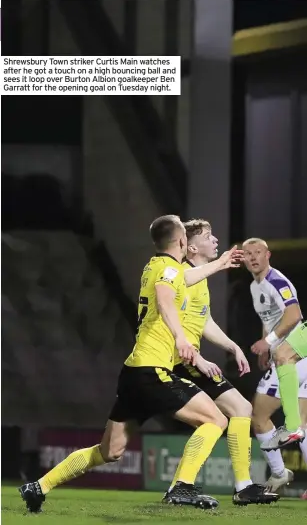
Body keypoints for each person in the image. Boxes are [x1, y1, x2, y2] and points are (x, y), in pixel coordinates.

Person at [19, 215, 243, 513]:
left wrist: (219, 263)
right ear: (180, 242)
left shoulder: (157, 266)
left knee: (109, 451)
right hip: (153, 372)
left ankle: (38, 486)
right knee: (216, 420)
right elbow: (165, 298)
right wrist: (180, 337)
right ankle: (182, 487)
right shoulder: (167, 270)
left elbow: (183, 279)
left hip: (134, 373)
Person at [167, 220, 279, 506]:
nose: (216, 240)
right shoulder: (182, 275)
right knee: (219, 418)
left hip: (188, 358)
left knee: (240, 409)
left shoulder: (198, 277)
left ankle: (241, 486)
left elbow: (203, 320)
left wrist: (233, 347)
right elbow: (171, 323)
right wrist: (198, 357)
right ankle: (184, 486)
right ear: (191, 246)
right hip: (179, 359)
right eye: (208, 236)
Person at [243, 238, 307, 490]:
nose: (253, 257)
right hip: (296, 353)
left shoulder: (276, 281)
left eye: (258, 252)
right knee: (303, 423)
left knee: (258, 415)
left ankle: (279, 473)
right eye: (248, 254)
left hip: (293, 355)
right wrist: (266, 344)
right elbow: (271, 316)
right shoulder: (255, 286)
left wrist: (268, 342)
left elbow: (294, 315)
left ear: (268, 255)